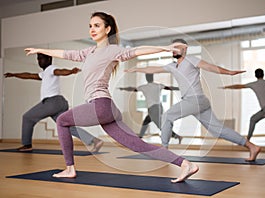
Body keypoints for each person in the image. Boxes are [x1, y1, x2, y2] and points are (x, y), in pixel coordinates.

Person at [25, 12, 198, 182]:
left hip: (100, 105)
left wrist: (163, 48)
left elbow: (136, 51)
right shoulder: (89, 51)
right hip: (108, 109)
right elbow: (66, 53)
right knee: (136, 145)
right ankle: (184, 164)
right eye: (90, 26)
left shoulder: (112, 50)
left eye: (97, 26)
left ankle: (70, 168)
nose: (92, 29)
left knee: (62, 120)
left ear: (107, 29)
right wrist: (40, 49)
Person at [126, 38, 261, 162]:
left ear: (185, 49)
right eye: (173, 47)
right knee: (217, 130)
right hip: (198, 103)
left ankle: (164, 150)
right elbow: (154, 69)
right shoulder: (172, 66)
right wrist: (137, 68)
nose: (174, 50)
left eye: (178, 47)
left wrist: (229, 72)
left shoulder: (191, 60)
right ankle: (252, 146)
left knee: (167, 116)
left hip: (194, 100)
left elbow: (210, 67)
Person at [4, 53, 104, 152]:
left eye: (41, 59)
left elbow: (59, 71)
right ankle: (94, 140)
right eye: (38, 59)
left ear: (49, 59)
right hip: (60, 103)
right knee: (67, 126)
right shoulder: (44, 73)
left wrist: (70, 71)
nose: (39, 61)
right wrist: (14, 74)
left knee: (27, 117)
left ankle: (27, 145)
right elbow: (29, 75)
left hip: (52, 102)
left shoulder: (51, 68)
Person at [119, 73, 182, 143]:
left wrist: (123, 88)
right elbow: (169, 88)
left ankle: (177, 136)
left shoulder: (144, 87)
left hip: (153, 109)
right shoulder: (157, 85)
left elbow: (132, 89)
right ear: (152, 78)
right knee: (146, 121)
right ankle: (140, 138)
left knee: (160, 126)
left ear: (146, 78)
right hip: (158, 108)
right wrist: (178, 88)